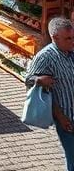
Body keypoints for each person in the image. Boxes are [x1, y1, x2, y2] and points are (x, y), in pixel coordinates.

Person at [27, 17, 74, 170]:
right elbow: (28, 80)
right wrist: (40, 80)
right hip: (67, 118)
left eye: (73, 37)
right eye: (68, 38)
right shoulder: (46, 57)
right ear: (55, 38)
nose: (72, 41)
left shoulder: (71, 52)